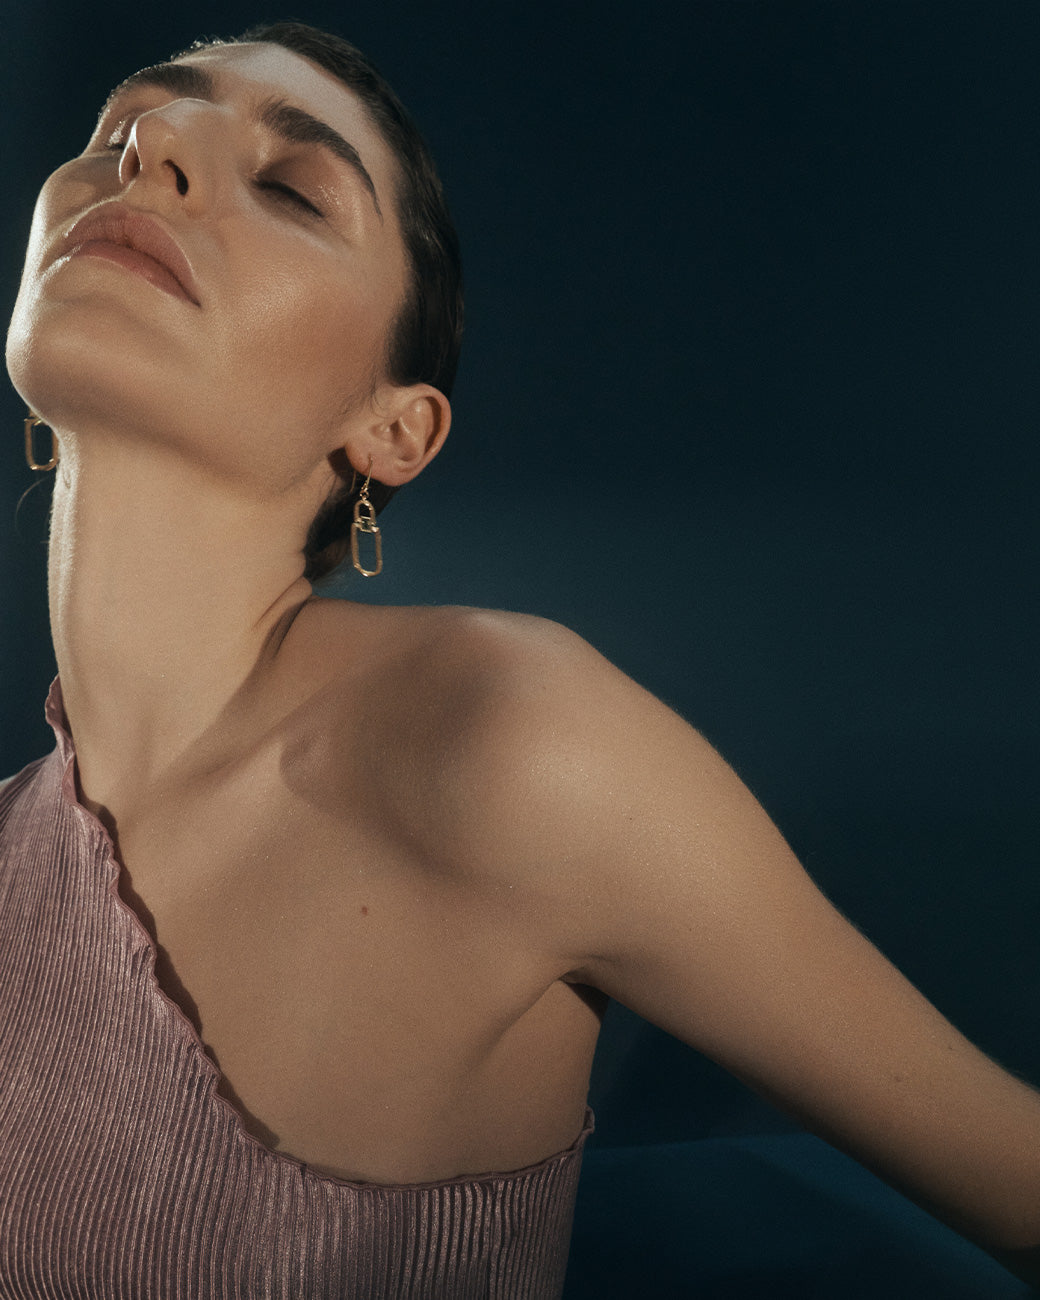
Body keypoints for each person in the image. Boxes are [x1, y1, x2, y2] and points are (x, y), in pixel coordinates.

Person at [1, 18, 1038, 1299]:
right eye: (118, 126)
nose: (147, 146)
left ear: (393, 429)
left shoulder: (500, 737)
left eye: (292, 188)